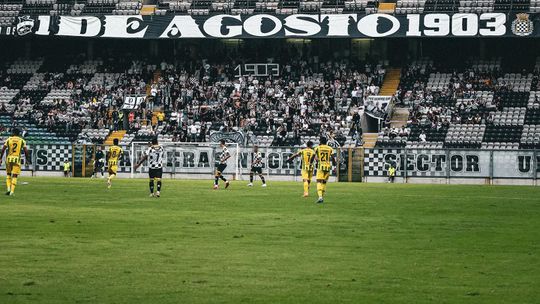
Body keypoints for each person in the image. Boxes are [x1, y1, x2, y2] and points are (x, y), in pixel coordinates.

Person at [0, 128, 32, 196]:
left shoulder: (9, 139)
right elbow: (26, 151)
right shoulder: (22, 140)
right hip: (16, 159)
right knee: (15, 176)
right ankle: (11, 192)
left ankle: (8, 189)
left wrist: (0, 158)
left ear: (13, 133)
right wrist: (27, 159)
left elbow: (3, 149)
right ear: (18, 133)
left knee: (8, 174)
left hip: (9, 159)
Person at [314, 137, 335, 204]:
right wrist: (334, 165)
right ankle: (321, 197)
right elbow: (333, 158)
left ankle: (320, 197)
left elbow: (313, 157)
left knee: (318, 181)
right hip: (328, 166)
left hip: (321, 166)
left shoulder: (317, 148)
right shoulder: (330, 148)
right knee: (324, 182)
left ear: (320, 141)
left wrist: (315, 160)